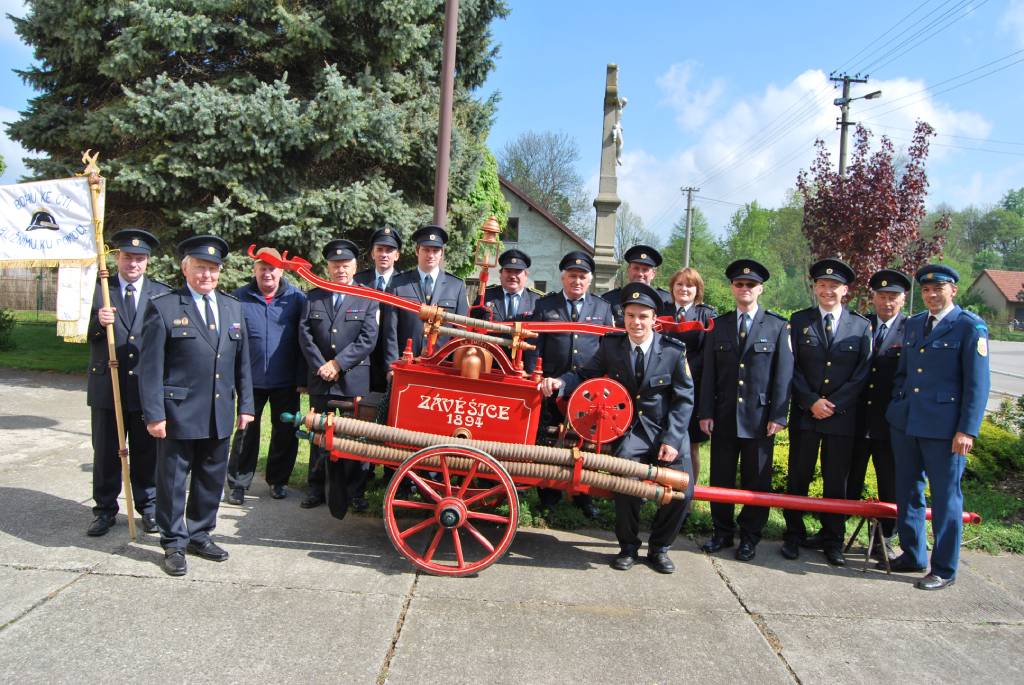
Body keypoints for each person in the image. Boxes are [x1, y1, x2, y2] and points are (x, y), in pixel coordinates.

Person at [540, 283, 693, 574]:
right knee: (625, 484)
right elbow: (585, 373)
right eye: (631, 315)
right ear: (624, 317)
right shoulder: (612, 346)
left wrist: (673, 439)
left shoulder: (673, 351)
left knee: (683, 492)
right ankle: (629, 547)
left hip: (666, 430)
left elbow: (685, 398)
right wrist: (561, 383)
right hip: (632, 431)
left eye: (643, 317)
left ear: (654, 320)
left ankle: (660, 548)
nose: (636, 322)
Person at [139, 235, 255, 577]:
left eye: (213, 268)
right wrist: (154, 414)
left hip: (219, 411)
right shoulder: (164, 306)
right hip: (178, 414)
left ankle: (199, 534)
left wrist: (246, 405)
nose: (207, 275)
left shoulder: (233, 307)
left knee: (210, 477)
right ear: (185, 268)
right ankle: (173, 542)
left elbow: (242, 363)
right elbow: (150, 369)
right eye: (200, 267)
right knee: (173, 481)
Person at [885, 264, 990, 590]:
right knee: (908, 491)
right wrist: (897, 405)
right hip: (908, 422)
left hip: (946, 430)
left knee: (946, 499)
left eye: (938, 289)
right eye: (927, 290)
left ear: (952, 291)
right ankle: (913, 554)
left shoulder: (969, 327)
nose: (932, 295)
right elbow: (904, 373)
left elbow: (978, 384)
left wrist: (967, 430)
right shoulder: (915, 324)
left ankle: (944, 568)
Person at [698, 260, 793, 561]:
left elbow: (784, 375)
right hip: (724, 415)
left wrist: (779, 415)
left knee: (756, 481)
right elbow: (709, 374)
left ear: (760, 289)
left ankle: (750, 537)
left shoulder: (777, 326)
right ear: (732, 288)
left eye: (750, 285)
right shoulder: (720, 325)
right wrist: (705, 412)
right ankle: (722, 531)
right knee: (721, 477)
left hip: (760, 419)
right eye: (739, 284)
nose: (745, 289)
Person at [782, 258, 872, 567]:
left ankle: (832, 540)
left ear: (845, 290)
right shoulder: (798, 320)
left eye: (834, 286)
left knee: (837, 483)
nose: (827, 290)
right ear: (814, 287)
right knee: (798, 478)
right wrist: (810, 401)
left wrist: (834, 404)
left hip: (841, 418)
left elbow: (862, 373)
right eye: (822, 285)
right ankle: (792, 535)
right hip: (806, 416)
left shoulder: (861, 326)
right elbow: (789, 367)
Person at [86, 228, 171, 536]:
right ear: (117, 258)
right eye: (127, 257)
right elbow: (71, 328)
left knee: (147, 452)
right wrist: (98, 322)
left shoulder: (161, 293)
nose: (133, 264)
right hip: (107, 387)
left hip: (145, 389)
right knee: (106, 451)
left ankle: (148, 507)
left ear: (147, 262)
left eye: (139, 258)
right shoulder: (98, 290)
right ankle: (105, 509)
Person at [528, 251, 614, 519]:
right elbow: (534, 347)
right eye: (572, 276)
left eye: (582, 277)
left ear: (589, 280)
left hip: (589, 388)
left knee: (586, 443)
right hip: (551, 386)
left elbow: (607, 349)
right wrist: (536, 377)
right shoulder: (546, 306)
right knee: (548, 441)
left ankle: (584, 497)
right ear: (563, 278)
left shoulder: (602, 308)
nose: (577, 281)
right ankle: (548, 497)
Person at [297, 239, 380, 514]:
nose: (340, 269)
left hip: (352, 379)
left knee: (354, 438)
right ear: (328, 267)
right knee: (318, 433)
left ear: (355, 267)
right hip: (321, 377)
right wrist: (322, 365)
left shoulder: (367, 297)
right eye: (335, 265)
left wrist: (338, 363)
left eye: (345, 265)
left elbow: (368, 339)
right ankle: (316, 488)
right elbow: (305, 335)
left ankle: (354, 492)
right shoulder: (314, 297)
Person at [224, 248, 307, 505]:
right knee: (246, 431)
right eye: (263, 267)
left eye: (272, 268)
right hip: (250, 379)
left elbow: (305, 340)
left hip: (286, 380)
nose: (267, 273)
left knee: (285, 431)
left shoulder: (297, 299)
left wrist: (302, 378)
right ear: (255, 270)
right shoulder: (239, 298)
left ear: (281, 270)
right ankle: (238, 483)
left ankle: (278, 480)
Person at [846, 268, 911, 561]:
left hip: (890, 423)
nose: (887, 302)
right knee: (849, 479)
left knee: (890, 482)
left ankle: (886, 537)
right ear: (873, 297)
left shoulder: (911, 330)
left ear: (903, 299)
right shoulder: (860, 325)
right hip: (857, 420)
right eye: (882, 296)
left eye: (893, 297)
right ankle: (834, 531)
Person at [384, 225, 469, 364]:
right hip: (405, 363)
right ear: (417, 251)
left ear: (441, 253)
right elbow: (389, 330)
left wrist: (454, 366)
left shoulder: (456, 286)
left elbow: (461, 331)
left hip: (442, 366)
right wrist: (391, 366)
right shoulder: (398, 284)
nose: (431, 255)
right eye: (426, 250)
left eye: (435, 251)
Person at [666, 267, 717, 493]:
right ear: (672, 288)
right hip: (663, 387)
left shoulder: (706, 315)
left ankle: (689, 494)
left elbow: (707, 355)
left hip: (691, 387)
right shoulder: (661, 311)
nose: (684, 289)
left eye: (689, 285)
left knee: (691, 445)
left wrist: (684, 371)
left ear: (697, 290)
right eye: (679, 284)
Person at [353, 226, 402, 393]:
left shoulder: (405, 284)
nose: (384, 254)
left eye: (389, 250)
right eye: (379, 249)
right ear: (372, 253)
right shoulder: (358, 282)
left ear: (397, 255)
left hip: (393, 358)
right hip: (362, 358)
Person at [601, 245, 673, 326]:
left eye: (645, 269)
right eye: (636, 268)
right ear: (628, 270)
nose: (640, 274)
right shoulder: (609, 300)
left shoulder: (666, 301)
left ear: (653, 274)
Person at [481, 249, 541, 322]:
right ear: (500, 274)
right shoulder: (485, 296)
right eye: (508, 271)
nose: (512, 276)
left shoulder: (537, 300)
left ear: (526, 276)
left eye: (517, 271)